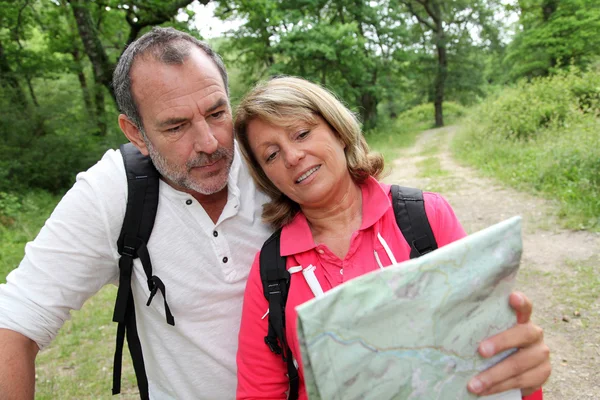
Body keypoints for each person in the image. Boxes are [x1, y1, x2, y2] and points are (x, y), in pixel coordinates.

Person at [234, 77, 550, 399]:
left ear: (338, 131)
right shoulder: (272, 269)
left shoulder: (425, 217)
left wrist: (525, 378)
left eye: (302, 133)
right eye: (271, 155)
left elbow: (492, 356)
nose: (292, 156)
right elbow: (260, 392)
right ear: (265, 176)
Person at [0, 27, 273, 399]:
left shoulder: (272, 159)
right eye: (176, 126)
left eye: (216, 112)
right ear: (136, 133)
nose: (209, 143)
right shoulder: (113, 191)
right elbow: (16, 321)